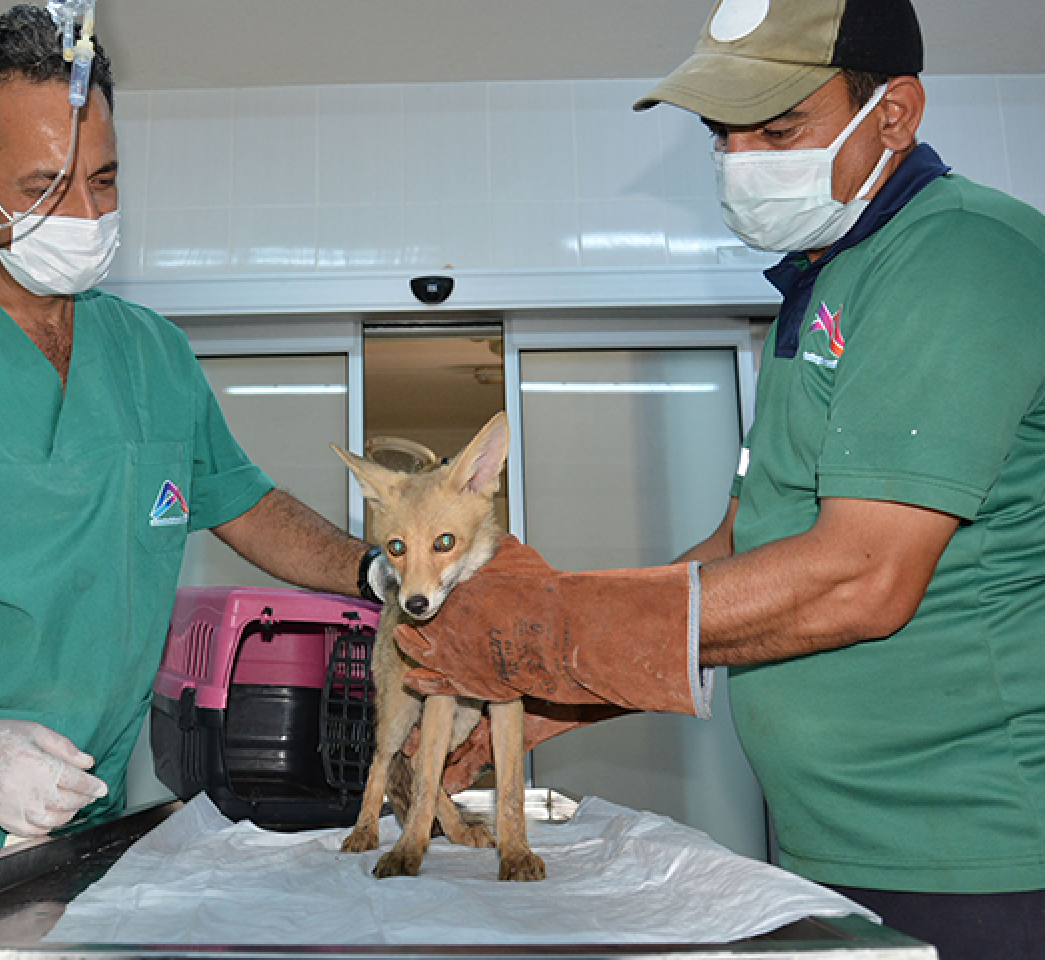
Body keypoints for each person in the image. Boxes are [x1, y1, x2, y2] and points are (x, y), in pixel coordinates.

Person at [396, 1, 1045, 956]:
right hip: (832, 838)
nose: (741, 161)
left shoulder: (956, 256)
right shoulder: (821, 284)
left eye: (778, 131)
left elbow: (862, 577)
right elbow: (739, 547)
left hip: (978, 851)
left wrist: (547, 636)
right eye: (722, 134)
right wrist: (551, 699)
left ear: (896, 115)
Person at [0, 6, 390, 913]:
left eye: (103, 180)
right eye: (45, 188)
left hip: (81, 848)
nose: (88, 216)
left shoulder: (152, 355)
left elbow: (243, 504)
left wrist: (380, 572)